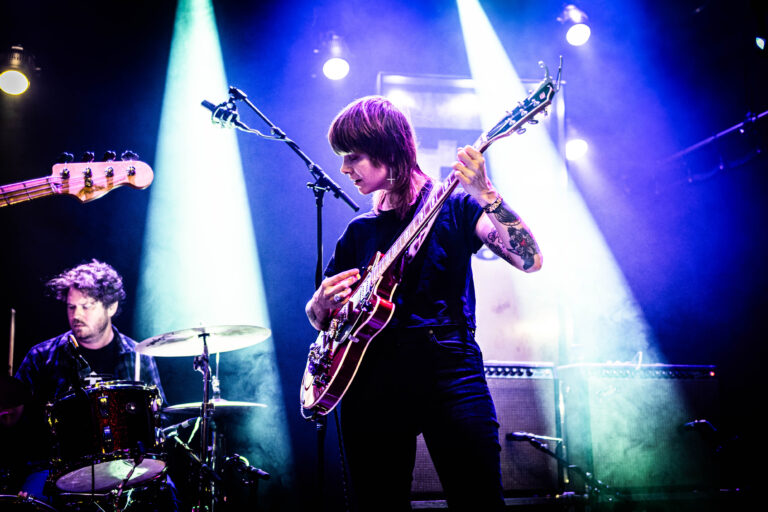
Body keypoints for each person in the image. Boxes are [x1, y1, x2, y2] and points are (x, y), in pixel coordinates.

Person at [305, 96, 543, 511]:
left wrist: (486, 193)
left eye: (353, 156)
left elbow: (529, 258)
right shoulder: (358, 232)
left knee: (479, 503)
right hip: (371, 381)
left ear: (387, 150)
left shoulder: (456, 206)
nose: (344, 169)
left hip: (449, 373)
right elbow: (321, 319)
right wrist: (318, 305)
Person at [14, 259, 174, 510]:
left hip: (126, 464)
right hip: (53, 468)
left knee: (168, 494)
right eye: (71, 307)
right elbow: (13, 412)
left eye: (86, 307)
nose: (76, 315)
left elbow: (159, 416)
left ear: (111, 307)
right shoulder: (42, 356)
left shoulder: (137, 357)